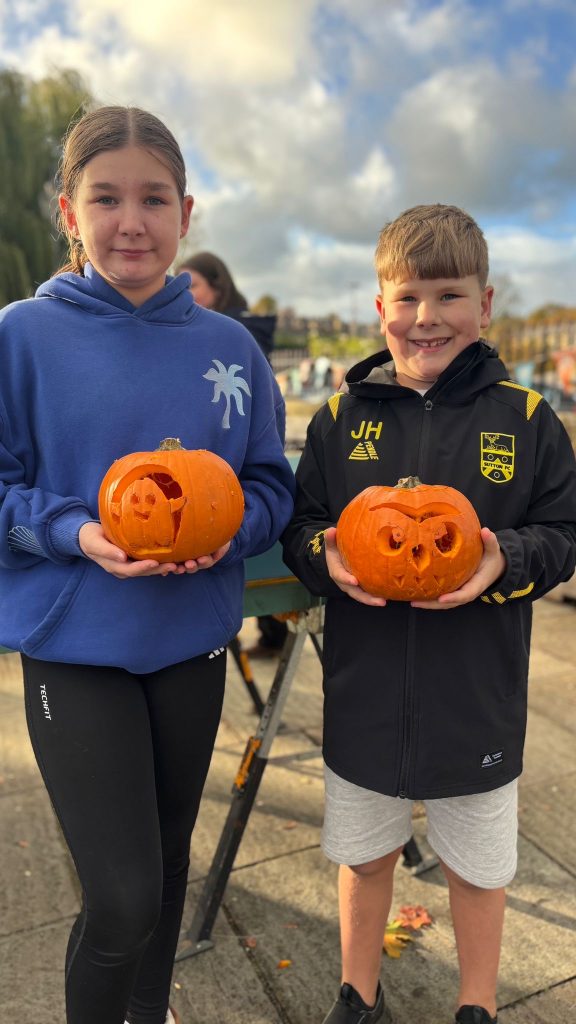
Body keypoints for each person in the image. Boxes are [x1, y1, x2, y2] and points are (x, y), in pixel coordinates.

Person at [0, 105, 295, 1024]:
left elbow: (271, 485)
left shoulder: (230, 347)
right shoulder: (21, 337)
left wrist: (228, 531)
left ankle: (147, 1011)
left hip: (189, 644)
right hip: (75, 647)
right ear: (68, 211)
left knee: (167, 868)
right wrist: (73, 532)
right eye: (107, 198)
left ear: (186, 212)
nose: (132, 221)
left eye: (154, 199)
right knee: (122, 895)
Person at [281, 204, 576, 1024]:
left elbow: (563, 535)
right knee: (364, 855)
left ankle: (477, 1004)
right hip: (366, 694)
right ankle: (358, 993)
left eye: (449, 296)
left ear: (485, 304)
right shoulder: (339, 419)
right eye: (408, 297)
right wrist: (323, 557)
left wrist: (504, 559)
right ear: (381, 307)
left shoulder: (526, 420)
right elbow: (302, 527)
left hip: (475, 696)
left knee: (477, 868)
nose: (426, 317)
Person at [177, 250, 289, 658]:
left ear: (217, 286)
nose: (185, 292)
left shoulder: (236, 337)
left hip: (224, 501)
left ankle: (272, 633)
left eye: (193, 285)